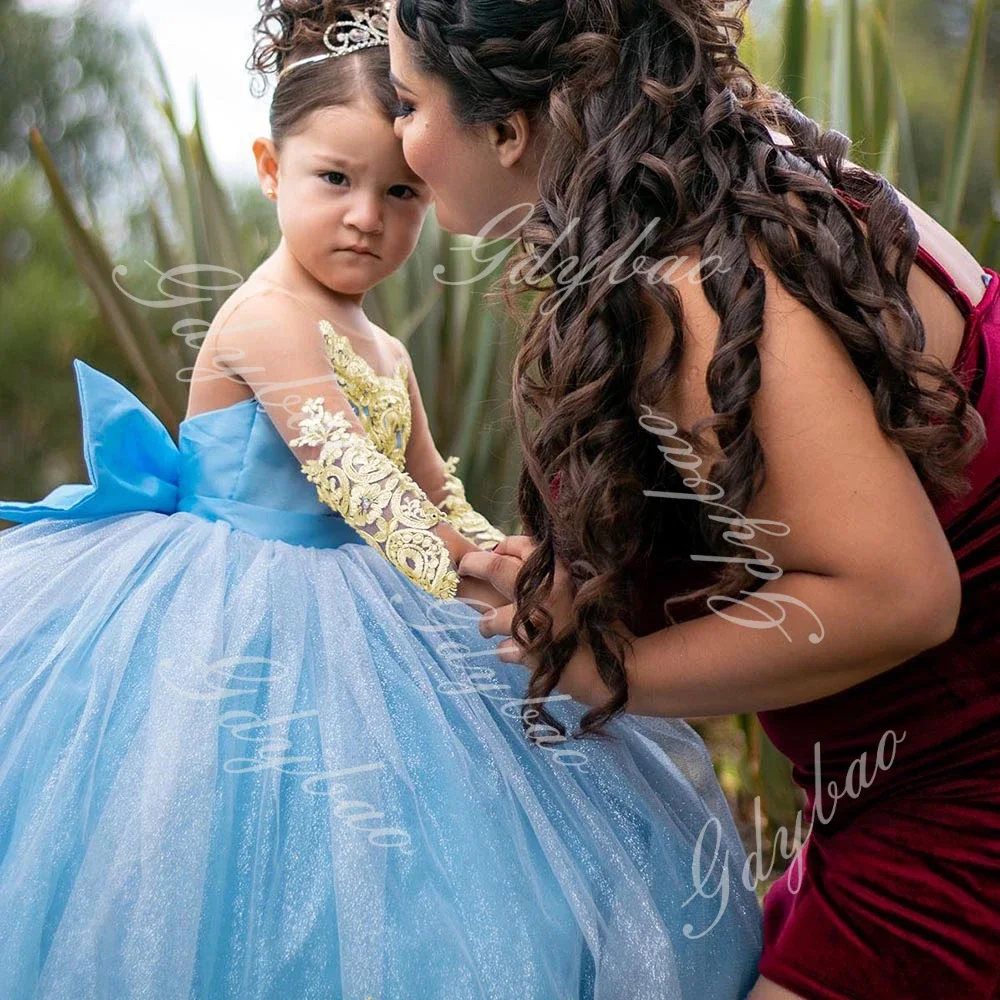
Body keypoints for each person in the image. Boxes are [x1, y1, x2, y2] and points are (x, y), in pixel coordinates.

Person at [0, 2, 764, 996]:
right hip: (232, 614)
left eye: (400, 190)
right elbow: (360, 485)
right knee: (237, 848)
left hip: (367, 596)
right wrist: (480, 570)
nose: (367, 214)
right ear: (270, 170)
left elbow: (432, 484)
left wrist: (525, 564)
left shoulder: (385, 344)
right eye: (334, 180)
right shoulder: (266, 317)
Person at [386, 0, 1000, 997]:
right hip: (880, 801)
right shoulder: (715, 182)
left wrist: (608, 673)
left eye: (408, 101)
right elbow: (785, 527)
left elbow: (900, 593)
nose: (394, 134)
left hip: (958, 822)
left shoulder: (703, 281)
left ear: (505, 128)